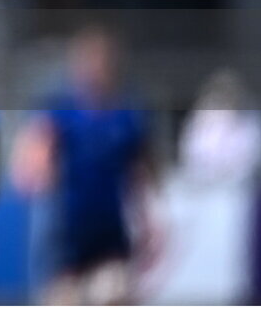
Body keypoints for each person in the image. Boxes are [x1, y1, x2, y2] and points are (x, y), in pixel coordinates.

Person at [11, 25, 158, 305]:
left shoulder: (127, 116)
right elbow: (31, 155)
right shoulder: (60, 110)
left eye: (100, 60)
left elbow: (142, 171)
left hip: (110, 237)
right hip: (64, 239)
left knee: (116, 295)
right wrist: (36, 170)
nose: (94, 68)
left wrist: (151, 223)